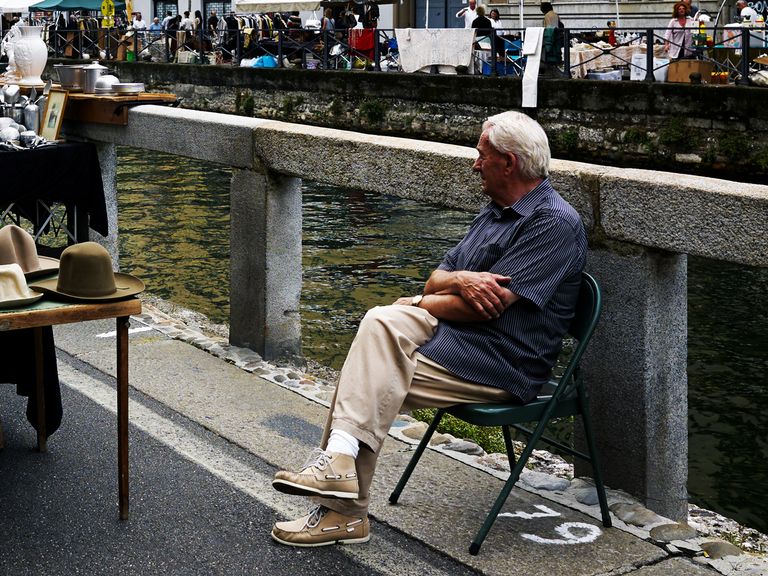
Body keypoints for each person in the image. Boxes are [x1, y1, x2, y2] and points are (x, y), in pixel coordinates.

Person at [270, 111, 588, 547]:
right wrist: (457, 281)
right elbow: (438, 278)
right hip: (456, 342)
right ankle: (340, 470)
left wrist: (419, 302)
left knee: (369, 362)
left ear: (509, 163)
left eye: (482, 156)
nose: (475, 164)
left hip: (502, 364)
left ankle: (342, 502)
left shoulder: (553, 222)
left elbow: (484, 311)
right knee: (379, 329)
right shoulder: (495, 211)